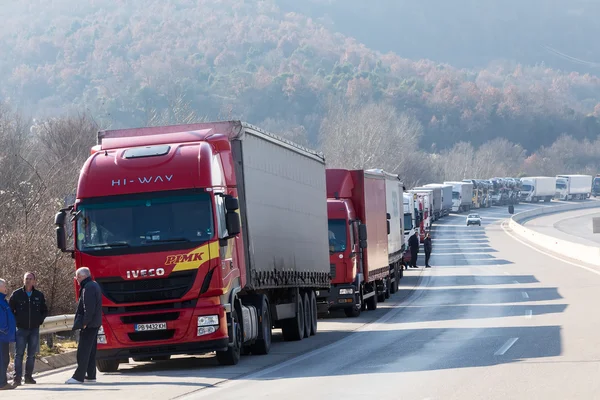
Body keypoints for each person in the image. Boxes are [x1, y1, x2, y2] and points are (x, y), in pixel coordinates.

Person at [9, 272, 48, 386]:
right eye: (26, 278)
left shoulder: (39, 295)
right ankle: (17, 378)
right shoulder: (16, 294)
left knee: (31, 354)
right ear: (23, 280)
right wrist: (17, 321)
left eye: (30, 279)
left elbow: (44, 310)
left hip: (34, 330)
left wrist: (39, 320)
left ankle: (28, 377)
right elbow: (10, 310)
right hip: (21, 329)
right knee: (19, 354)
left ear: (34, 281)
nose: (28, 280)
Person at [66, 267, 102, 384]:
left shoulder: (88, 287)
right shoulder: (93, 285)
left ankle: (78, 376)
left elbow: (89, 308)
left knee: (83, 351)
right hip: (94, 324)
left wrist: (85, 323)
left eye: (77, 277)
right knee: (91, 351)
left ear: (82, 276)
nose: (76, 279)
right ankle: (91, 375)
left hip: (89, 325)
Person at [0, 278, 17, 390]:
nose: (6, 287)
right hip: (2, 335)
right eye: (4, 285)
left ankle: (3, 382)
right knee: (2, 359)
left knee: (4, 359)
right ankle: (2, 383)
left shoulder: (3, 300)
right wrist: (4, 329)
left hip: (4, 336)